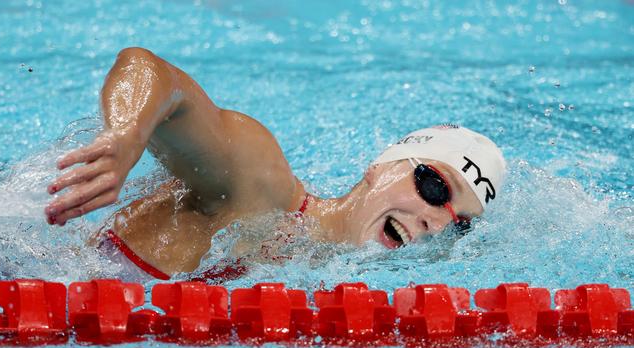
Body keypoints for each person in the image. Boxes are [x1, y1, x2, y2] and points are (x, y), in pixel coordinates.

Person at [44, 47, 506, 281]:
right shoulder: (259, 183)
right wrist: (125, 137)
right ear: (380, 167)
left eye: (460, 224)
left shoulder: (330, 283)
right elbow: (148, 69)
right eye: (434, 187)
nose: (437, 223)